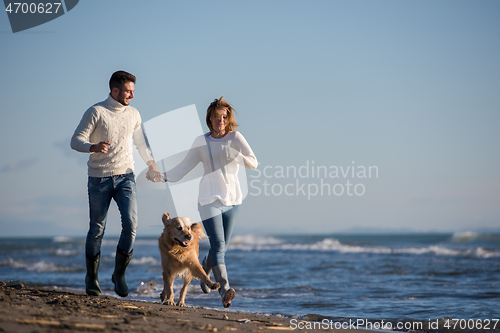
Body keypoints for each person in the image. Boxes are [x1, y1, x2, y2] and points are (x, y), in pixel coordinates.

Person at [71, 70, 162, 297]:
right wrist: (92, 147)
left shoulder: (134, 114)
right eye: (128, 91)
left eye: (133, 91)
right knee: (96, 230)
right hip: (99, 178)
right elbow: (76, 140)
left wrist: (152, 165)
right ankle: (91, 278)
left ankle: (119, 274)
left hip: (126, 177)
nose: (132, 95)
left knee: (131, 225)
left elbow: (141, 143)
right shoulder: (96, 112)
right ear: (115, 90)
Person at [162, 96, 258, 308]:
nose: (220, 121)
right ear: (209, 118)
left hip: (233, 199)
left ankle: (205, 275)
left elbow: (253, 162)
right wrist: (163, 176)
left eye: (224, 117)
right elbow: (184, 166)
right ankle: (224, 290)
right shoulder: (201, 141)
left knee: (221, 248)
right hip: (208, 199)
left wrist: (237, 155)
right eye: (216, 117)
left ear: (228, 118)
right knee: (218, 245)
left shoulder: (235, 138)